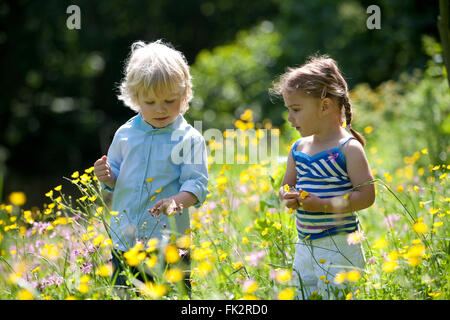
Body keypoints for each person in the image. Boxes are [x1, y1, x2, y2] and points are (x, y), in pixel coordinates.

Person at [93, 40, 209, 295]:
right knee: (125, 293)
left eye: (169, 100)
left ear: (184, 95)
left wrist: (176, 201)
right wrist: (107, 175)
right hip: (125, 241)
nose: (160, 109)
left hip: (169, 243)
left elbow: (197, 184)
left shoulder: (189, 139)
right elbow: (116, 178)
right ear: (136, 99)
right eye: (150, 102)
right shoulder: (125, 134)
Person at [270, 54, 375, 299]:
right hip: (304, 246)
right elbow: (286, 186)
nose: (290, 118)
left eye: (296, 110)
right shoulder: (298, 149)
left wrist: (324, 206)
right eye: (289, 110)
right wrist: (287, 196)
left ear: (325, 106)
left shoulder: (348, 148)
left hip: (340, 247)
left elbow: (367, 196)